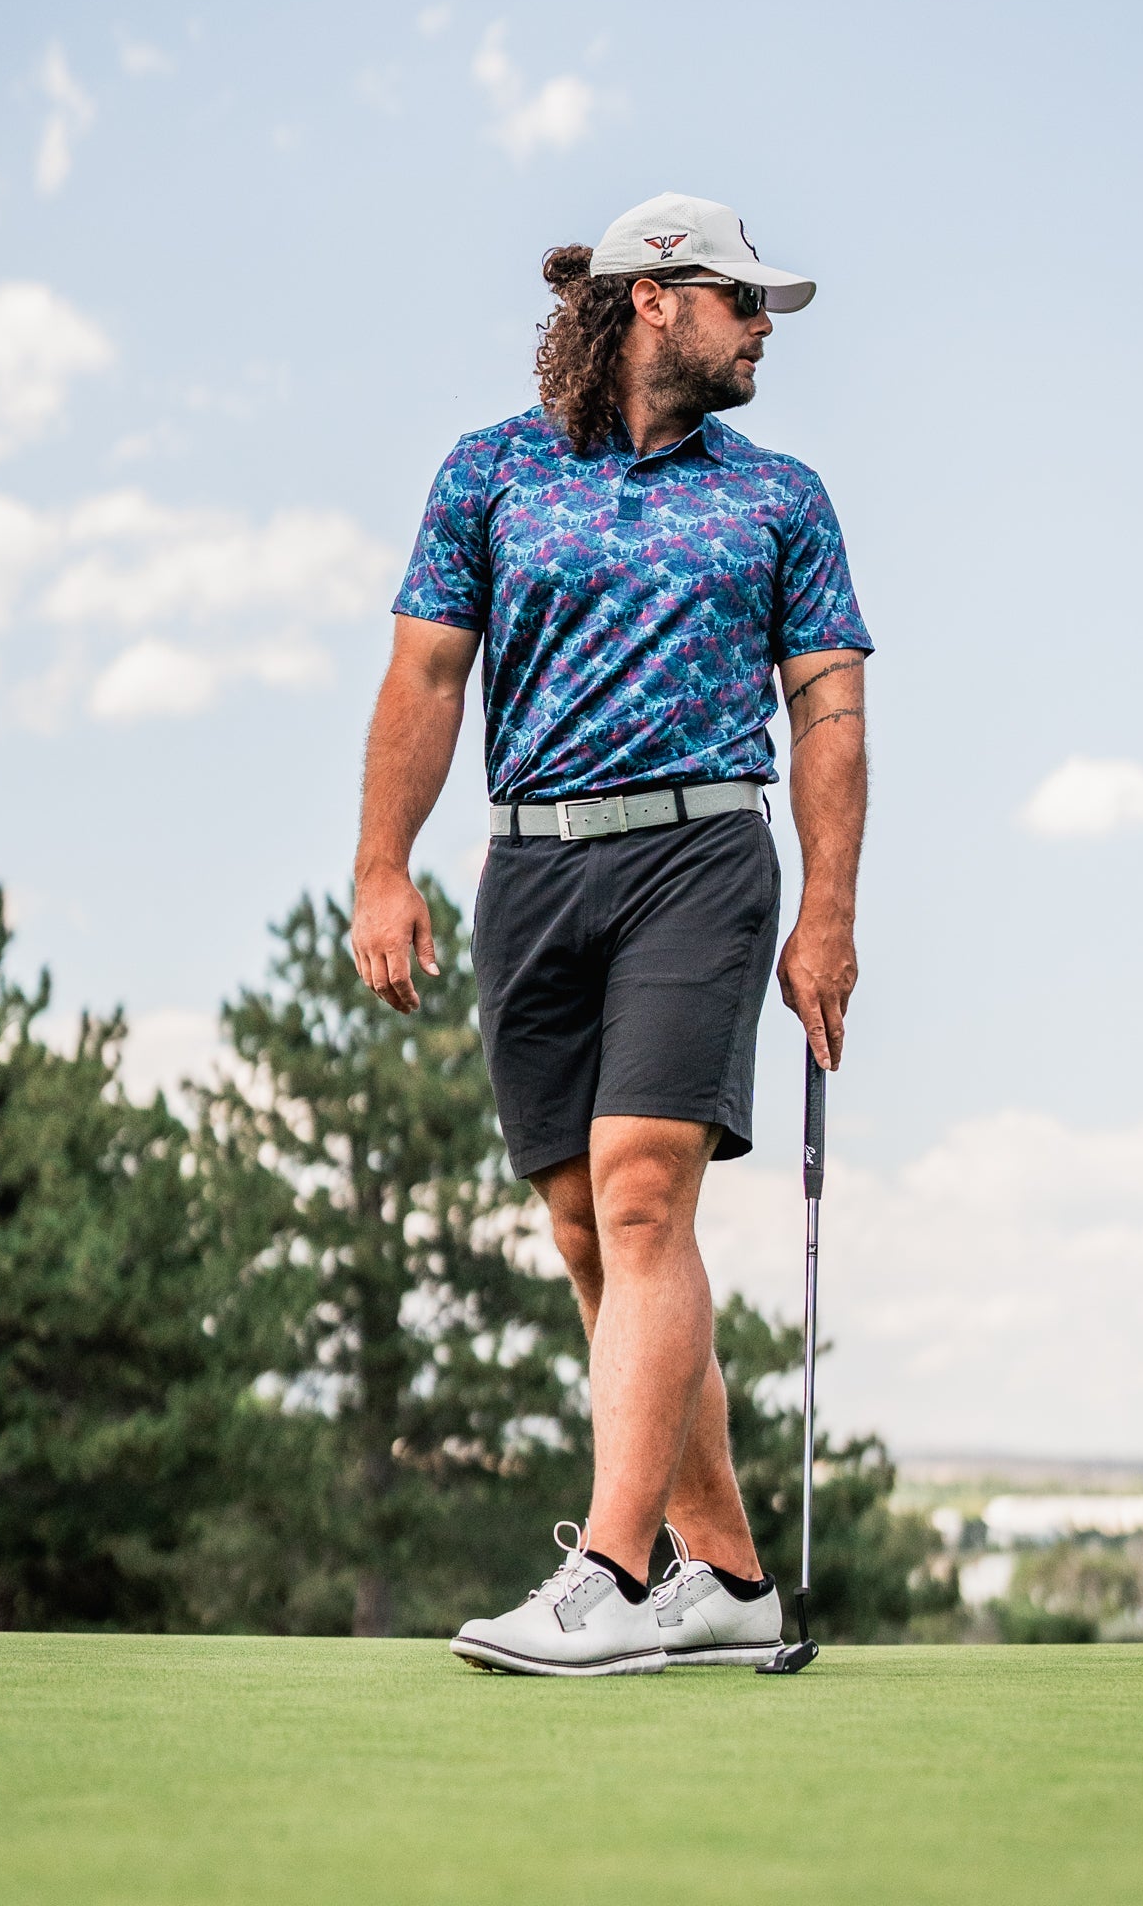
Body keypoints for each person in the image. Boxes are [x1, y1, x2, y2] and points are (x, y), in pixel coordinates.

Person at [350, 192, 870, 1676]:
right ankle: (729, 1573)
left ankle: (617, 1576)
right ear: (655, 300)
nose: (766, 329)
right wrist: (383, 867)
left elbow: (827, 702)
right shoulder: (491, 473)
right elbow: (429, 679)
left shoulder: (781, 499)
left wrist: (826, 909)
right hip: (532, 876)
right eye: (745, 303)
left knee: (646, 1203)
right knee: (594, 1235)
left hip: (704, 855)